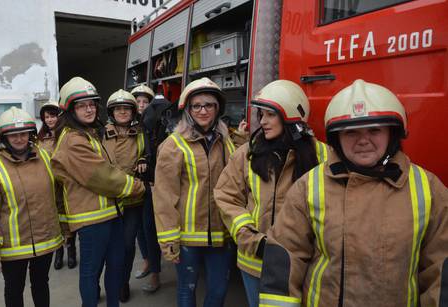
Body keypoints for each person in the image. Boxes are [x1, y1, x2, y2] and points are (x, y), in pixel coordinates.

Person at [258, 79, 448, 307]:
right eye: (350, 132)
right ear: (336, 138)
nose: (363, 140)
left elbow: (440, 271)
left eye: (374, 130)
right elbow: (285, 261)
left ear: (392, 134)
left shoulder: (429, 189)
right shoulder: (308, 186)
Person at [214, 80, 329, 307]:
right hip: (255, 262)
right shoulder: (248, 153)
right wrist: (251, 239)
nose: (262, 121)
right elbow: (226, 196)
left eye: (270, 115)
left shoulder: (323, 155)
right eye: (261, 114)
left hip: (302, 265)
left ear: (290, 116)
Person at [50, 77, 145, 307]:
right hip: (91, 220)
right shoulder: (73, 140)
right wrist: (137, 187)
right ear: (70, 110)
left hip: (111, 214)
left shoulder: (88, 133)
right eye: (82, 105)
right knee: (91, 272)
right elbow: (102, 176)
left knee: (116, 264)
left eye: (92, 104)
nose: (89, 109)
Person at [153, 77, 236, 307]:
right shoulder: (174, 145)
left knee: (219, 291)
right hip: (187, 235)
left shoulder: (225, 140)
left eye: (209, 105)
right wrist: (169, 236)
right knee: (186, 290)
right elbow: (163, 195)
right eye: (197, 105)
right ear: (188, 110)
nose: (203, 110)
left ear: (217, 108)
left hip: (220, 233)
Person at [0, 107, 63, 307]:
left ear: (30, 134)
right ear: (4, 137)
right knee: (14, 289)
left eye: (23, 134)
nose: (19, 139)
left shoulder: (46, 158)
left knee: (41, 284)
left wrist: (66, 227)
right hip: (13, 248)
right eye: (13, 135)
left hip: (45, 241)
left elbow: (60, 195)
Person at [101, 89, 148, 302]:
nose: (122, 112)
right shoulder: (100, 134)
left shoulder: (141, 132)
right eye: (118, 109)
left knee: (128, 246)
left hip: (133, 200)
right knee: (106, 247)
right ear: (112, 112)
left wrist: (144, 159)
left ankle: (122, 282)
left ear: (133, 112)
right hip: (107, 201)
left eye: (126, 109)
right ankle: (100, 283)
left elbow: (151, 152)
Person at [37, 101, 78, 270]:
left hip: (68, 184)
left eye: (52, 115)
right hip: (50, 186)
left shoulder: (68, 134)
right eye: (46, 117)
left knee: (70, 216)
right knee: (55, 217)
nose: (49, 120)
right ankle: (59, 251)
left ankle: (72, 250)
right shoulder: (39, 139)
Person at [131, 85, 163, 293]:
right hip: (133, 184)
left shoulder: (157, 124)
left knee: (150, 227)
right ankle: (146, 261)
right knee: (139, 229)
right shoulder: (127, 124)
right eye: (138, 102)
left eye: (145, 102)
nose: (141, 105)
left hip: (151, 183)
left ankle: (156, 274)